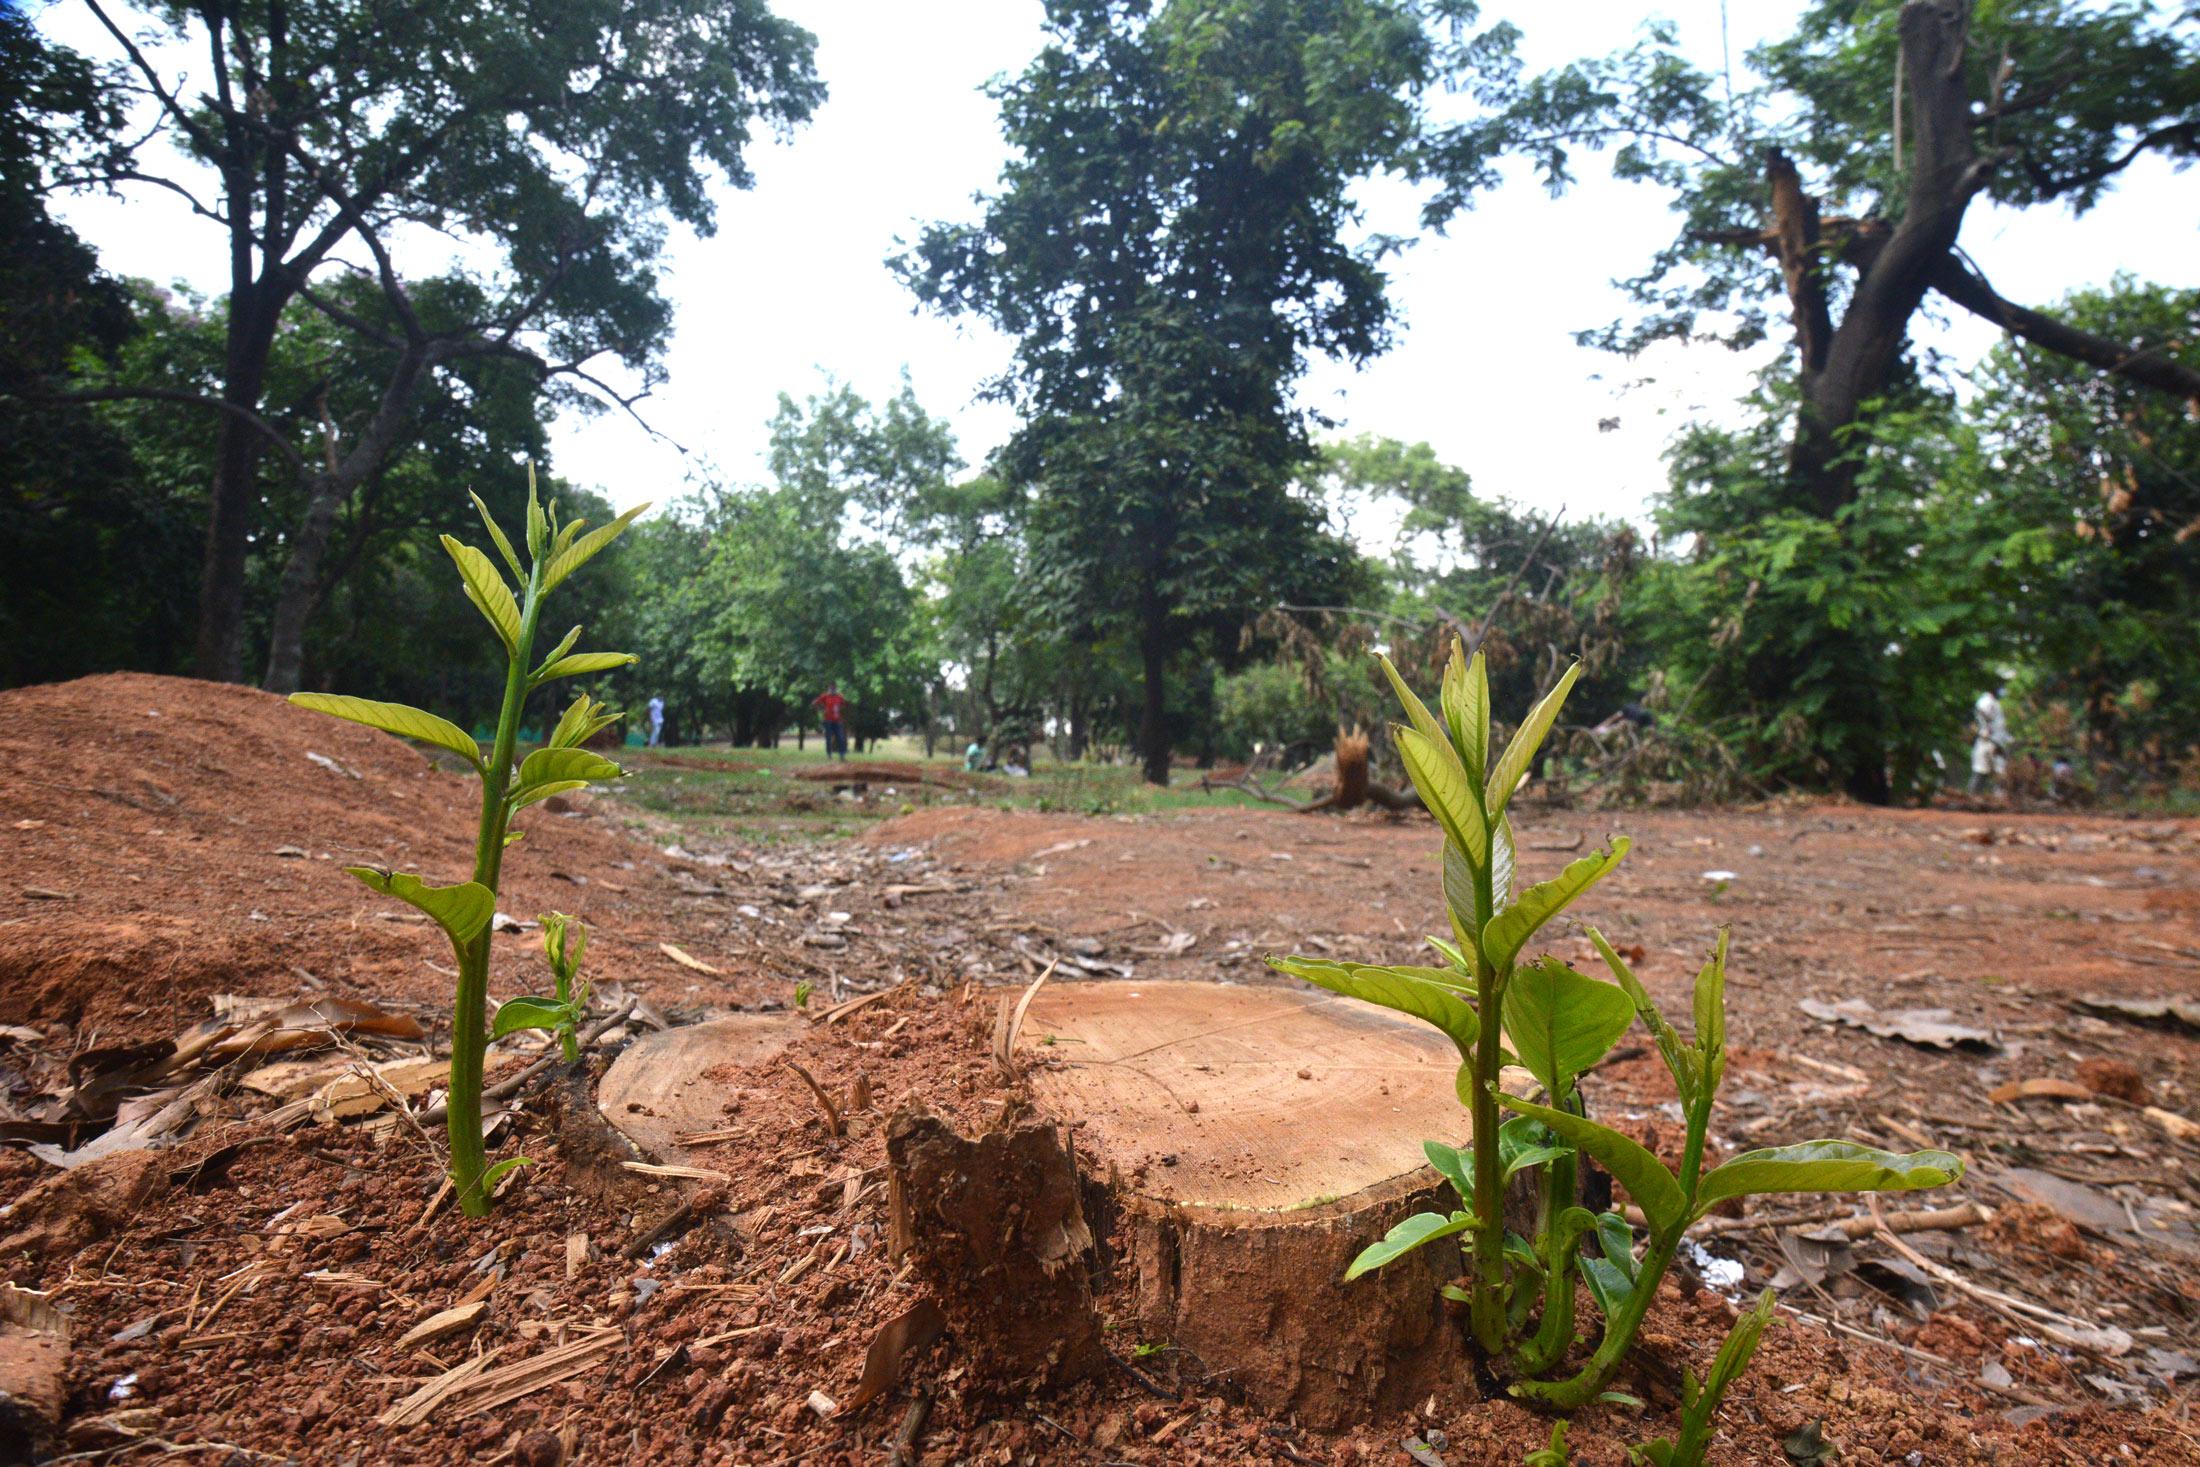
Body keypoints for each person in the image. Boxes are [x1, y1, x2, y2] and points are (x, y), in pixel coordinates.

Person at [1968, 684, 2008, 796]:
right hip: (1989, 742)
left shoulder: (1994, 702)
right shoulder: (1987, 700)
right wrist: (1986, 726)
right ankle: (1973, 798)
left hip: (1994, 742)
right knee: (1983, 772)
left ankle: (1997, 799)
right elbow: (1982, 710)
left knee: (1995, 772)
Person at [812, 684, 849, 759]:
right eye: (831, 688)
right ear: (829, 689)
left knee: (840, 737)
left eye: (834, 688)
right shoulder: (825, 696)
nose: (832, 690)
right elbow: (814, 703)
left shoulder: (839, 696)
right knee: (828, 738)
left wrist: (840, 711)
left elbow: (845, 704)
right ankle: (829, 754)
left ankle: (842, 755)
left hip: (837, 720)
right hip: (828, 720)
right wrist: (821, 710)